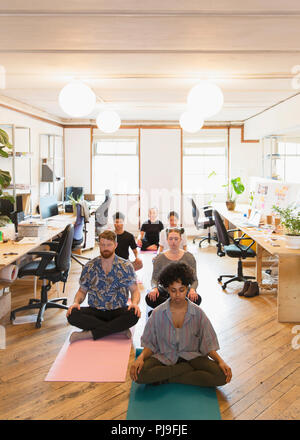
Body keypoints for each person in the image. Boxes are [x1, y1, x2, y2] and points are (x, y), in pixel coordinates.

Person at [130, 262, 232, 387]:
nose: (177, 295)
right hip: (165, 356)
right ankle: (185, 370)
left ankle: (166, 378)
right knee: (139, 374)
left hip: (193, 357)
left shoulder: (198, 313)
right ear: (167, 289)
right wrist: (140, 358)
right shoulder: (157, 313)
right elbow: (149, 344)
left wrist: (221, 361)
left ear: (187, 288)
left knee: (222, 376)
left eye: (181, 290)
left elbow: (208, 343)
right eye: (173, 290)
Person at [66, 230, 141, 343]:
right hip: (95, 312)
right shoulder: (89, 266)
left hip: (118, 311)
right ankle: (118, 330)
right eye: (102, 244)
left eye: (109, 245)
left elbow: (135, 290)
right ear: (99, 245)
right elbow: (82, 291)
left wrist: (134, 304)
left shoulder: (126, 266)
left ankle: (89, 333)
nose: (105, 248)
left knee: (133, 315)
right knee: (72, 314)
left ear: (115, 245)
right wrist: (76, 302)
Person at [146, 228, 201, 309]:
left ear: (181, 240)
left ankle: (167, 308)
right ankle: (174, 307)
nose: (173, 242)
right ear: (167, 240)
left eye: (176, 239)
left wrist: (193, 289)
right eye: (170, 239)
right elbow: (154, 279)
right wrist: (154, 288)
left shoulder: (189, 257)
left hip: (183, 291)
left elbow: (195, 280)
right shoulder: (160, 257)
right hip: (165, 290)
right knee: (149, 298)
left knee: (197, 299)